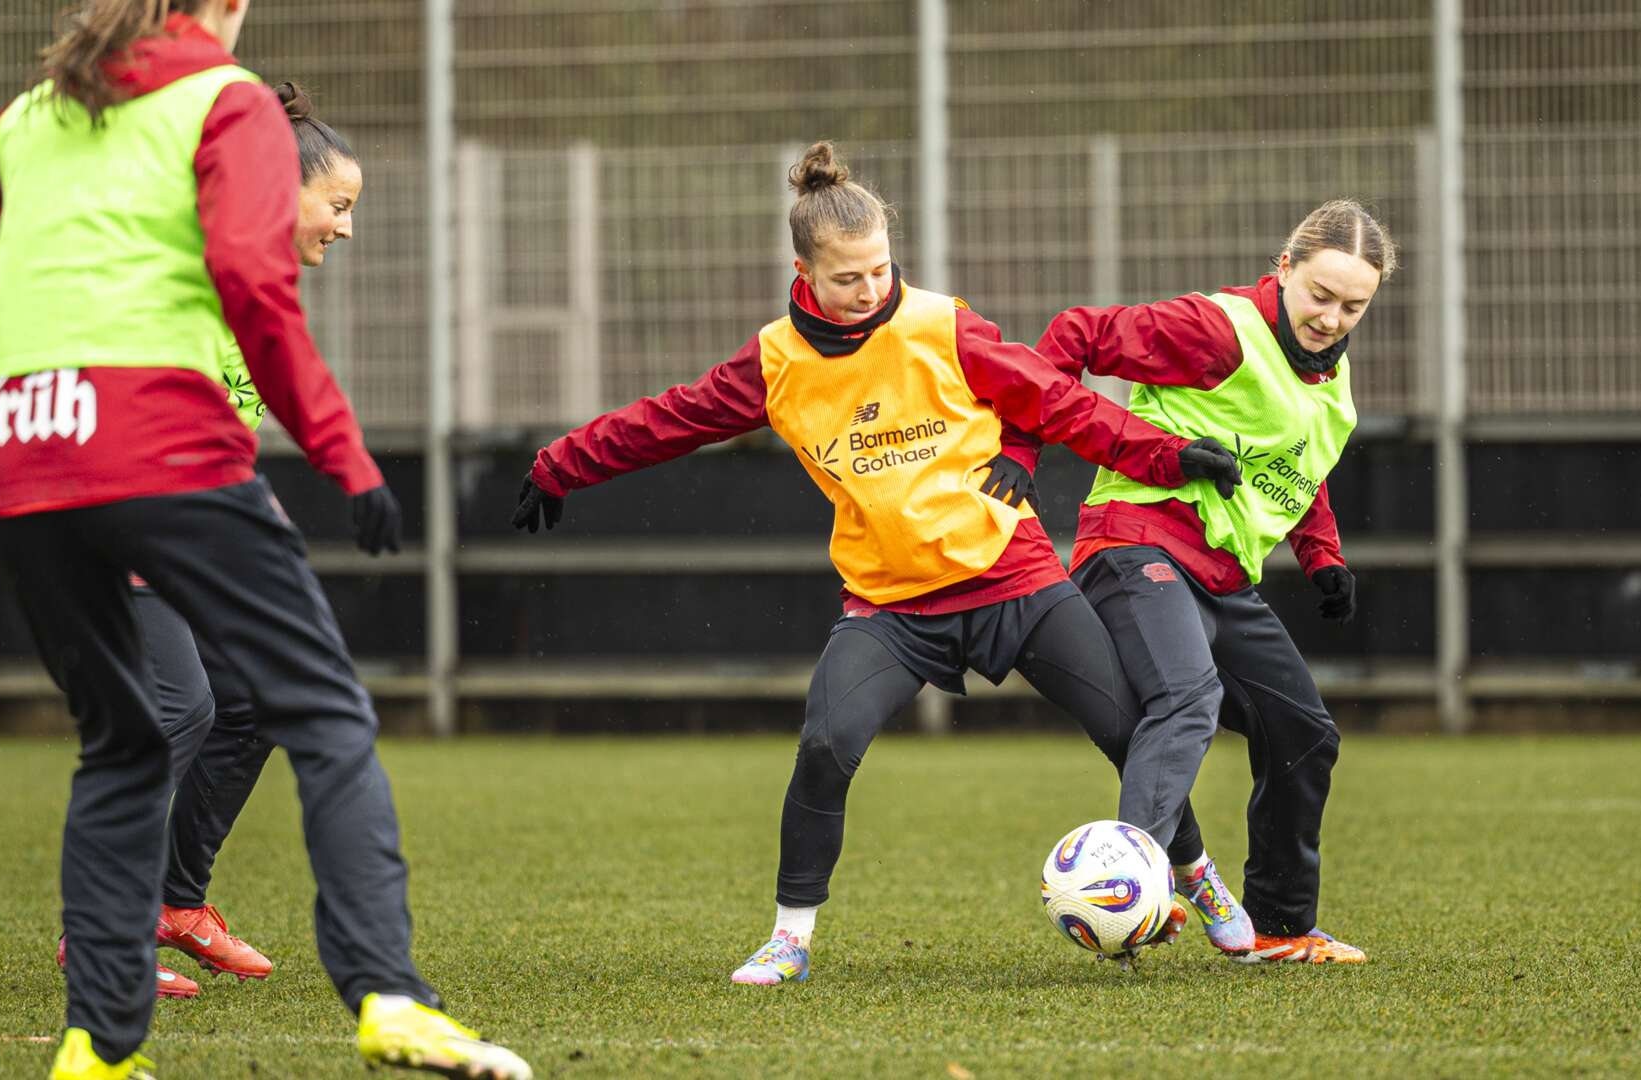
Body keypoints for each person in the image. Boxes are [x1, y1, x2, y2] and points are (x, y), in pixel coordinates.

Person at [0, 2, 532, 1077]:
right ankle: (390, 998)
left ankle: (97, 1049)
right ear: (224, 8)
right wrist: (347, 457)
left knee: (126, 743)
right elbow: (252, 286)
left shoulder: (25, 117)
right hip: (156, 448)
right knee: (324, 710)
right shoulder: (223, 101)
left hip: (19, 454)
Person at [512, 141, 1252, 986]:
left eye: (879, 270)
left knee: (1128, 731)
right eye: (847, 279)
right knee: (827, 744)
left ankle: (1194, 878)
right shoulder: (775, 362)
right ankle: (790, 936)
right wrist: (560, 463)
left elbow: (1058, 401)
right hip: (891, 606)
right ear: (803, 273)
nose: (870, 291)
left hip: (1012, 579)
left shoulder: (941, 324)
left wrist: (1167, 456)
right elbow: (667, 419)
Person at [45, 80, 363, 1002]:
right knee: (176, 711)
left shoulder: (257, 290)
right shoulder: (191, 264)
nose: (345, 228)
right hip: (121, 519)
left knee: (255, 698)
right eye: (337, 205)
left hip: (190, 530)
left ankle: (175, 904)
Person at [1035, 199, 1397, 965]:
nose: (1332, 318)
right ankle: (1136, 889)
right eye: (1320, 296)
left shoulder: (1331, 378)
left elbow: (1298, 465)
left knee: (1305, 735)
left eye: (1353, 306)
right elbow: (1074, 336)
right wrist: (1025, 448)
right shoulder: (1214, 329)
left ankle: (1279, 927)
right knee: (1188, 696)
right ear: (1285, 270)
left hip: (1224, 581)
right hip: (1135, 547)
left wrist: (1323, 558)